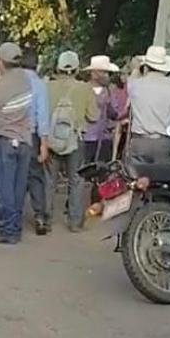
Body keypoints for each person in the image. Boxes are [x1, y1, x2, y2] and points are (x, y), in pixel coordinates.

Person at [0, 42, 33, 244]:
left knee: (4, 187)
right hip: (24, 140)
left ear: (1, 62)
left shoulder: (4, 84)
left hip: (6, 139)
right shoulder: (25, 80)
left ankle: (8, 230)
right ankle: (15, 228)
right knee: (18, 188)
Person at [45, 51, 99, 233]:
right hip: (76, 140)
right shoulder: (85, 89)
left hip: (51, 139)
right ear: (76, 69)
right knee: (76, 180)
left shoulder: (48, 87)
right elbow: (94, 116)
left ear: (58, 67)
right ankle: (75, 221)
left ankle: (46, 219)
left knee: (49, 180)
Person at [127, 45, 170, 165]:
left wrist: (136, 69)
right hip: (162, 143)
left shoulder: (136, 85)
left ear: (146, 66)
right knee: (160, 181)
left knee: (136, 180)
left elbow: (131, 79)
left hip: (139, 141)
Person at [21, 48, 51, 235]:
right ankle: (40, 216)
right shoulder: (39, 85)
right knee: (35, 177)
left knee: (15, 177)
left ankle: (12, 217)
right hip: (32, 135)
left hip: (13, 134)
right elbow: (42, 116)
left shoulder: (13, 81)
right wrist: (44, 144)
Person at [83, 55, 120, 164]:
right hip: (86, 137)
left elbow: (115, 113)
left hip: (104, 138)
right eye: (104, 73)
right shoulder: (84, 89)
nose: (107, 76)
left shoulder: (109, 91)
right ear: (94, 73)